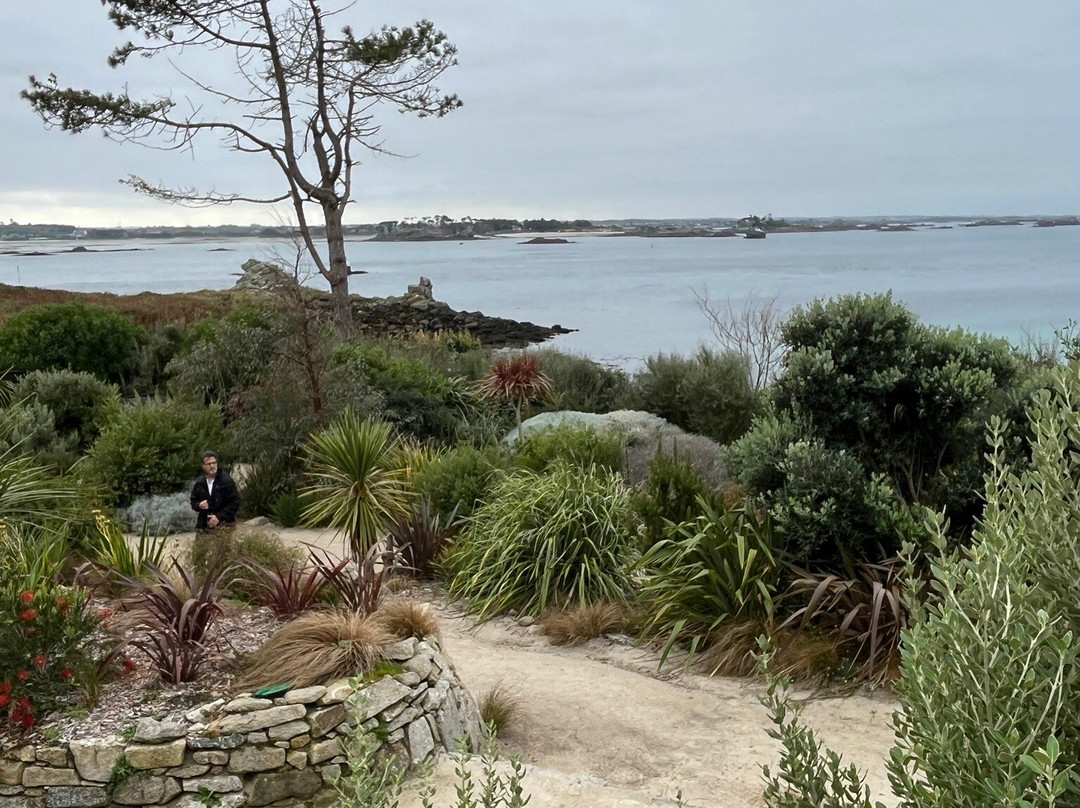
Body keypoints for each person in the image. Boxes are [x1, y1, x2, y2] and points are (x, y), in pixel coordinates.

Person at [190, 451, 241, 531]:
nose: (212, 466)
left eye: (214, 463)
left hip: (224, 525)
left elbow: (235, 502)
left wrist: (219, 517)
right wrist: (199, 505)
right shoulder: (200, 482)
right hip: (203, 525)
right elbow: (193, 501)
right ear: (203, 466)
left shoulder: (226, 481)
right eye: (209, 464)